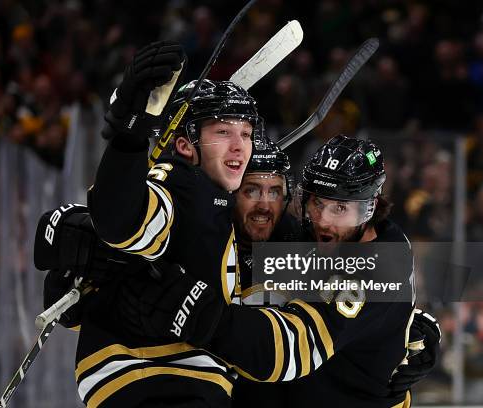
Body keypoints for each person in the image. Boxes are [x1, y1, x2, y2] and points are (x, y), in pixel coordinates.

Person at [35, 136, 440, 407]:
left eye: (343, 209)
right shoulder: (284, 234)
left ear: (373, 208)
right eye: (317, 203)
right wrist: (86, 267)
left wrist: (198, 313)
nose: (325, 221)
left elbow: (287, 349)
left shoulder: (371, 261)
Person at [39, 39, 269, 407]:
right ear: (183, 146)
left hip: (156, 382)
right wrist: (128, 136)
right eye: (223, 132)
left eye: (246, 133)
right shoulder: (179, 187)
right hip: (160, 380)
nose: (241, 146)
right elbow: (124, 222)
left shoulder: (215, 201)